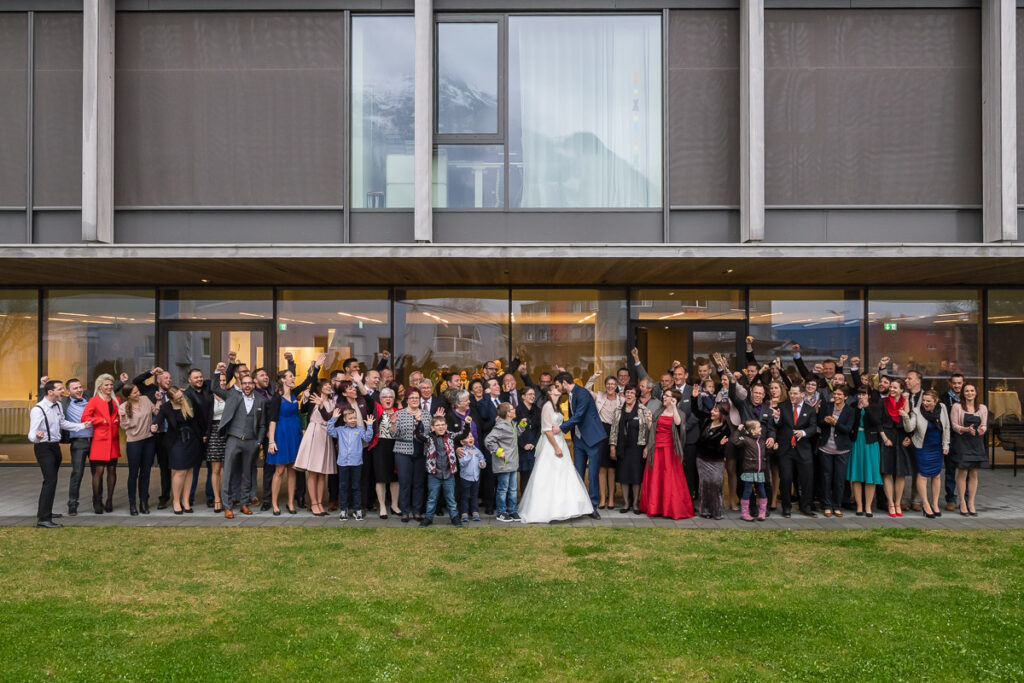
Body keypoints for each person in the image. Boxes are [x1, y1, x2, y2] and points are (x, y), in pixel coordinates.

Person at [518, 384, 595, 524]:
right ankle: (547, 509)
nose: (558, 389)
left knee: (563, 475)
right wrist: (556, 448)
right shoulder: (547, 406)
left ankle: (565, 508)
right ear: (549, 392)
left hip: (560, 442)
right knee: (549, 475)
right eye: (555, 388)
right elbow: (547, 430)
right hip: (551, 444)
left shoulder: (557, 406)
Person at [28, 380, 90, 528]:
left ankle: (45, 512)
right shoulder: (39, 409)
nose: (63, 391)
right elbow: (31, 434)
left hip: (55, 447)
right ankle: (43, 519)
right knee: (50, 481)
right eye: (60, 389)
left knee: (51, 481)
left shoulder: (57, 406)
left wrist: (82, 425)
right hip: (43, 448)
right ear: (50, 392)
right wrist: (37, 436)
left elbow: (63, 423)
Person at [214, 373, 268, 518]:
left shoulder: (261, 401)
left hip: (251, 441)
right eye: (244, 383)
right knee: (228, 473)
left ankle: (244, 503)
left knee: (247, 474)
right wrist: (218, 372)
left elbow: (263, 425)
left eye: (250, 383)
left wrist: (258, 442)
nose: (247, 386)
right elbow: (216, 388)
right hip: (234, 439)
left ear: (254, 384)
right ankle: (227, 506)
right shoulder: (233, 396)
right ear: (241, 384)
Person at [556, 371, 606, 517]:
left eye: (559, 385)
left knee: (592, 474)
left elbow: (578, 417)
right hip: (578, 439)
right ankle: (578, 504)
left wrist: (561, 428)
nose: (558, 389)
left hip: (593, 439)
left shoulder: (582, 393)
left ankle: (593, 507)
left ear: (565, 383)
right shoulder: (571, 394)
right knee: (577, 473)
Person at [639, 389, 694, 520]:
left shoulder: (679, 413)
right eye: (665, 395)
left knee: (670, 479)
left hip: (670, 450)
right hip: (656, 448)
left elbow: (678, 423)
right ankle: (655, 507)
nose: (664, 397)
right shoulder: (658, 411)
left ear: (674, 399)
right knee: (656, 478)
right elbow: (652, 429)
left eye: (667, 396)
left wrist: (674, 406)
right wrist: (648, 422)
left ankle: (671, 508)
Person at [267, 367, 315, 515]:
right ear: (283, 380)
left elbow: (308, 381)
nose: (293, 378)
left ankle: (290, 502)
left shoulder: (294, 393)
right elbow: (272, 420)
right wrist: (271, 441)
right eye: (290, 376)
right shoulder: (276, 398)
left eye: (293, 376)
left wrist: (316, 367)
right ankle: (274, 504)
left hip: (294, 433)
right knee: (279, 470)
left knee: (293, 469)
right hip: (281, 434)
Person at [901, 389, 950, 519]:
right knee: (922, 475)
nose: (925, 403)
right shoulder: (917, 411)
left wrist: (946, 445)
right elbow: (909, 428)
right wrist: (905, 417)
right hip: (922, 447)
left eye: (928, 401)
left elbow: (946, 427)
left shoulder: (942, 408)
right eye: (924, 400)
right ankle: (926, 504)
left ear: (936, 401)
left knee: (937, 475)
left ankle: (935, 504)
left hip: (937, 447)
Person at [157, 386, 206, 515]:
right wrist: (154, 425)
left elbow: (198, 420)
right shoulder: (166, 407)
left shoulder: (188, 402)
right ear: (171, 399)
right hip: (176, 441)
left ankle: (186, 501)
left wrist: (203, 435)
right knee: (180, 471)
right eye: (178, 398)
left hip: (192, 440)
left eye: (181, 396)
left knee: (190, 470)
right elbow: (158, 419)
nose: (181, 398)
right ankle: (176, 501)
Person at [416, 415, 470, 527]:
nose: (440, 427)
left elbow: (463, 434)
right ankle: (428, 518)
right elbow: (418, 435)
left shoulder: (451, 436)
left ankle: (454, 517)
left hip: (449, 474)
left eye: (442, 425)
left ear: (446, 426)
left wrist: (467, 424)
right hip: (434, 474)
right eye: (437, 425)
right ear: (432, 428)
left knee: (451, 498)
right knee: (432, 498)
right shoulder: (429, 438)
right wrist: (418, 422)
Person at [294, 379, 337, 517]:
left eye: (329, 385)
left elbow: (330, 418)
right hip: (315, 432)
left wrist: (322, 405)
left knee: (323, 472)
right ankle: (313, 503)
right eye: (326, 385)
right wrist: (307, 399)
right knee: (313, 471)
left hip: (327, 434)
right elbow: (303, 409)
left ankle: (320, 502)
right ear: (319, 387)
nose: (328, 387)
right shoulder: (314, 398)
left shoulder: (332, 402)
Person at [774, 384, 818, 518]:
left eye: (795, 393)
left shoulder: (809, 410)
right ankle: (786, 508)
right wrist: (776, 418)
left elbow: (813, 427)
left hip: (803, 450)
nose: (792, 396)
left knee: (806, 479)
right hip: (786, 449)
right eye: (791, 393)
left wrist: (803, 432)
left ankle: (805, 507)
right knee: (786, 478)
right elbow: (778, 425)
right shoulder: (782, 406)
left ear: (802, 394)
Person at [80, 374, 121, 514]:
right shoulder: (94, 400)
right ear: (100, 387)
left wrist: (117, 421)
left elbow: (120, 416)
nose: (109, 387)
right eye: (106, 385)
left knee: (112, 470)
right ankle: (97, 501)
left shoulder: (117, 400)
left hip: (113, 440)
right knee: (99, 471)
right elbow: (84, 418)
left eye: (111, 385)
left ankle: (109, 500)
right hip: (100, 440)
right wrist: (100, 420)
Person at [608, 383, 652, 514]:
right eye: (627, 392)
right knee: (623, 476)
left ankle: (635, 504)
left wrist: (647, 447)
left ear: (636, 395)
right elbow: (614, 430)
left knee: (636, 476)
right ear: (624, 394)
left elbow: (650, 431)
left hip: (638, 447)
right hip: (622, 448)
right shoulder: (618, 410)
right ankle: (626, 503)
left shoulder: (644, 410)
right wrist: (612, 447)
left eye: (632, 393)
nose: (629, 395)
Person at [327, 407, 375, 521]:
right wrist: (333, 418)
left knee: (356, 486)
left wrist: (369, 426)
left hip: (356, 463)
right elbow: (329, 431)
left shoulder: (359, 430)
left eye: (355, 418)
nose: (353, 420)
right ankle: (343, 510)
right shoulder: (340, 430)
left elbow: (368, 438)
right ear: (344, 419)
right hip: (343, 463)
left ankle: (357, 509)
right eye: (350, 418)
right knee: (343, 486)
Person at [583, 373, 623, 510]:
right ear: (605, 385)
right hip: (600, 432)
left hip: (615, 432)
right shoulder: (599, 396)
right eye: (608, 384)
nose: (610, 386)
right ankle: (601, 498)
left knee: (612, 468)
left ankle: (611, 498)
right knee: (601, 468)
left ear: (616, 386)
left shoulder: (621, 400)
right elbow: (586, 390)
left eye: (613, 384)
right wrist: (593, 377)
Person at [118, 384, 159, 515]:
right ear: (128, 395)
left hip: (149, 440)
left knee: (146, 473)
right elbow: (124, 426)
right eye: (135, 393)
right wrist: (123, 416)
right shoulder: (123, 407)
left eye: (138, 391)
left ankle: (143, 502)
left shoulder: (146, 399)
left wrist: (158, 400)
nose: (138, 393)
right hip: (134, 442)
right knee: (133, 474)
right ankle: (132, 504)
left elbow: (156, 412)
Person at [816, 385, 856, 518]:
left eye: (840, 394)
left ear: (846, 397)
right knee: (826, 478)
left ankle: (837, 506)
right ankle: (827, 505)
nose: (837, 397)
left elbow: (848, 429)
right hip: (825, 448)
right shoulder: (827, 406)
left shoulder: (850, 411)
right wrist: (826, 422)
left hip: (842, 449)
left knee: (839, 479)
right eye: (835, 394)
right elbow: (819, 422)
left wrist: (835, 423)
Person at [950, 383, 987, 516]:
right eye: (967, 391)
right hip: (962, 442)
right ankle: (963, 502)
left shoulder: (982, 408)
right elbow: (954, 425)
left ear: (976, 392)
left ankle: (971, 502)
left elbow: (984, 426)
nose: (969, 393)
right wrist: (966, 429)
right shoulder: (957, 407)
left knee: (974, 473)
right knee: (963, 472)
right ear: (963, 393)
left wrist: (980, 430)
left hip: (976, 442)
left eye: (972, 390)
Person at [391, 387, 427, 523]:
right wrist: (393, 424)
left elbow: (428, 434)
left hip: (421, 452)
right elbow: (393, 434)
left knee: (418, 483)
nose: (414, 400)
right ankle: (405, 511)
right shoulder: (399, 414)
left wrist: (420, 422)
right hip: (402, 451)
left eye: (416, 398)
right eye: (411, 398)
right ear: (407, 400)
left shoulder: (426, 415)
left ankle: (417, 511)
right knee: (405, 482)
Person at [847, 386, 883, 517]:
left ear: (869, 395)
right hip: (856, 441)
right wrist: (858, 409)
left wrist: (866, 408)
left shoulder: (875, 405)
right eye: (859, 394)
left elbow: (876, 422)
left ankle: (868, 505)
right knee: (856, 474)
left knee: (870, 475)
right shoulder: (852, 405)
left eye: (864, 394)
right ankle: (859, 505)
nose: (861, 397)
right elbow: (851, 423)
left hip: (870, 442)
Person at [880, 378, 913, 517]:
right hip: (887, 438)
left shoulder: (906, 403)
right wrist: (885, 438)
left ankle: (898, 502)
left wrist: (908, 437)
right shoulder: (883, 402)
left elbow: (908, 422)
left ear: (902, 390)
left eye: (895, 388)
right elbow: (879, 423)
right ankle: (890, 503)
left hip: (901, 439)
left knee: (900, 473)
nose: (892, 390)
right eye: (891, 387)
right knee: (887, 472)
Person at [60, 378, 93, 517]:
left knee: (97, 473)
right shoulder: (64, 402)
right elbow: (47, 399)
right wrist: (43, 386)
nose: (79, 390)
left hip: (95, 441)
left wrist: (120, 383)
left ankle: (98, 503)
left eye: (80, 387)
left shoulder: (89, 397)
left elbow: (108, 391)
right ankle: (72, 504)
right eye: (75, 388)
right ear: (68, 391)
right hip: (78, 442)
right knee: (77, 474)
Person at [486, 403, 523, 522]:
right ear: (507, 413)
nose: (514, 410)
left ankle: (512, 511)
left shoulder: (511, 424)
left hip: (512, 463)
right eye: (512, 409)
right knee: (503, 489)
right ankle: (501, 512)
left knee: (512, 489)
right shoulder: (501, 426)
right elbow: (488, 440)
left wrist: (522, 426)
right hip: (504, 463)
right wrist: (498, 451)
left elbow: (514, 435)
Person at [695, 401, 732, 520]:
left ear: (722, 413)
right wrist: (694, 398)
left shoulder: (725, 429)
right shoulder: (707, 421)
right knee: (704, 485)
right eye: (712, 409)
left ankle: (716, 511)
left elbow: (720, 449)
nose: (712, 412)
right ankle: (705, 511)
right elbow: (696, 412)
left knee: (715, 484)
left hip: (716, 461)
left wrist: (718, 445)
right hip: (702, 459)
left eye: (715, 410)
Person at [372, 387, 402, 519]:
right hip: (380, 446)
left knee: (395, 478)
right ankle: (382, 506)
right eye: (385, 397)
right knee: (381, 477)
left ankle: (394, 505)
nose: (388, 399)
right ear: (380, 400)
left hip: (396, 446)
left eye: (390, 397)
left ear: (394, 399)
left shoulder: (399, 412)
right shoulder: (377, 410)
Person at [731, 420, 769, 522]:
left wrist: (774, 446)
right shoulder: (746, 440)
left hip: (760, 471)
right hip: (748, 470)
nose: (761, 428)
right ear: (752, 431)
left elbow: (767, 451)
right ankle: (744, 513)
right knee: (747, 491)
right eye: (759, 427)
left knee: (762, 491)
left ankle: (762, 512)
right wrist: (738, 430)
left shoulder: (761, 441)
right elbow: (735, 441)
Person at [204, 379, 229, 513]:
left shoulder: (230, 396)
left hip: (228, 432)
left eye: (224, 380)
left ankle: (227, 497)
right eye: (220, 380)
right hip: (214, 432)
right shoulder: (209, 399)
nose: (222, 382)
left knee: (228, 468)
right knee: (216, 468)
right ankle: (217, 498)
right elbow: (204, 418)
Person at [515, 386, 541, 496]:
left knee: (535, 474)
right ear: (523, 397)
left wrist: (534, 443)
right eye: (529, 394)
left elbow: (540, 429)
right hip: (522, 446)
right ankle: (524, 501)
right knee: (525, 475)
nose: (533, 396)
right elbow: (514, 430)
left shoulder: (537, 410)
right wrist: (523, 444)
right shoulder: (517, 410)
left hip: (534, 445)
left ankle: (534, 500)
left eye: (533, 394)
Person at [456, 430, 486, 522]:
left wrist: (482, 464)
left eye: (471, 436)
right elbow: (462, 463)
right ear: (462, 442)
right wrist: (469, 456)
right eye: (468, 437)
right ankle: (464, 513)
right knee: (465, 496)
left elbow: (482, 459)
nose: (470, 438)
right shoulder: (461, 451)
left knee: (474, 496)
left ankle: (475, 512)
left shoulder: (477, 450)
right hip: (465, 478)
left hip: (475, 478)